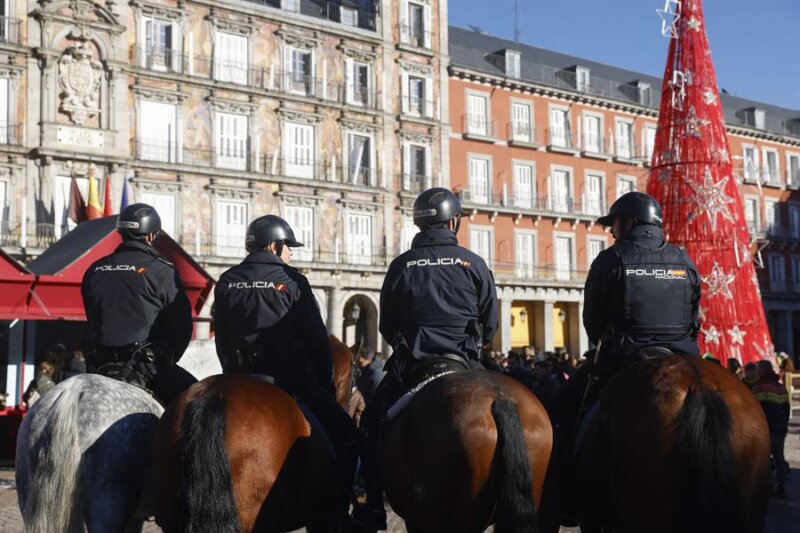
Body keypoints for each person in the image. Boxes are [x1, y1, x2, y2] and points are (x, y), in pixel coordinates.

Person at [548, 191, 701, 524]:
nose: (612, 232)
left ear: (630, 222)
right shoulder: (683, 258)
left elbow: (593, 321)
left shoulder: (611, 259)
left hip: (625, 354)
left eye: (614, 224)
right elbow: (695, 314)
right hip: (684, 355)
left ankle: (566, 496)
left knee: (561, 410)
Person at [354, 187, 498, 530]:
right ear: (453, 222)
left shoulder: (401, 265)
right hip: (464, 361)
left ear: (420, 223)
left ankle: (371, 505)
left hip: (415, 365)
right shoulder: (473, 263)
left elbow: (387, 325)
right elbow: (490, 321)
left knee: (370, 424)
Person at [213, 214, 357, 532]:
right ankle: (336, 514)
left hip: (238, 377)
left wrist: (232, 374)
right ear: (274, 246)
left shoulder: (226, 280)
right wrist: (323, 383)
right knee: (348, 437)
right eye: (288, 246)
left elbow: (221, 338)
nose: (290, 253)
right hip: (287, 379)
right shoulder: (293, 282)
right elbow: (316, 340)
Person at [81, 203, 196, 405]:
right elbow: (182, 324)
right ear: (151, 236)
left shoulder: (94, 269)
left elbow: (92, 316)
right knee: (200, 402)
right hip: (147, 368)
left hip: (98, 365)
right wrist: (168, 359)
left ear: (122, 232)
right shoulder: (162, 271)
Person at [752, 360, 790, 498]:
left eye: (758, 369)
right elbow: (787, 408)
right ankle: (781, 484)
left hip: (767, 427)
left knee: (764, 459)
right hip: (780, 427)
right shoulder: (780, 386)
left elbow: (756, 409)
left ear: (762, 371)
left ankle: (767, 486)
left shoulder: (759, 387)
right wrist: (784, 424)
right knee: (779, 457)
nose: (756, 372)